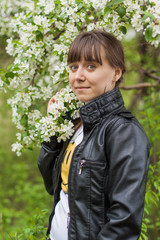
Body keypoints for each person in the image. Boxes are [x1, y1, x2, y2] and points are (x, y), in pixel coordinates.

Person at [38, 30, 150, 240]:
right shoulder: (77, 124)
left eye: (91, 66)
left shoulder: (123, 132)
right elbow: (51, 185)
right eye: (73, 67)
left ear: (116, 73)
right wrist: (55, 129)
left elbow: (124, 223)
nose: (78, 76)